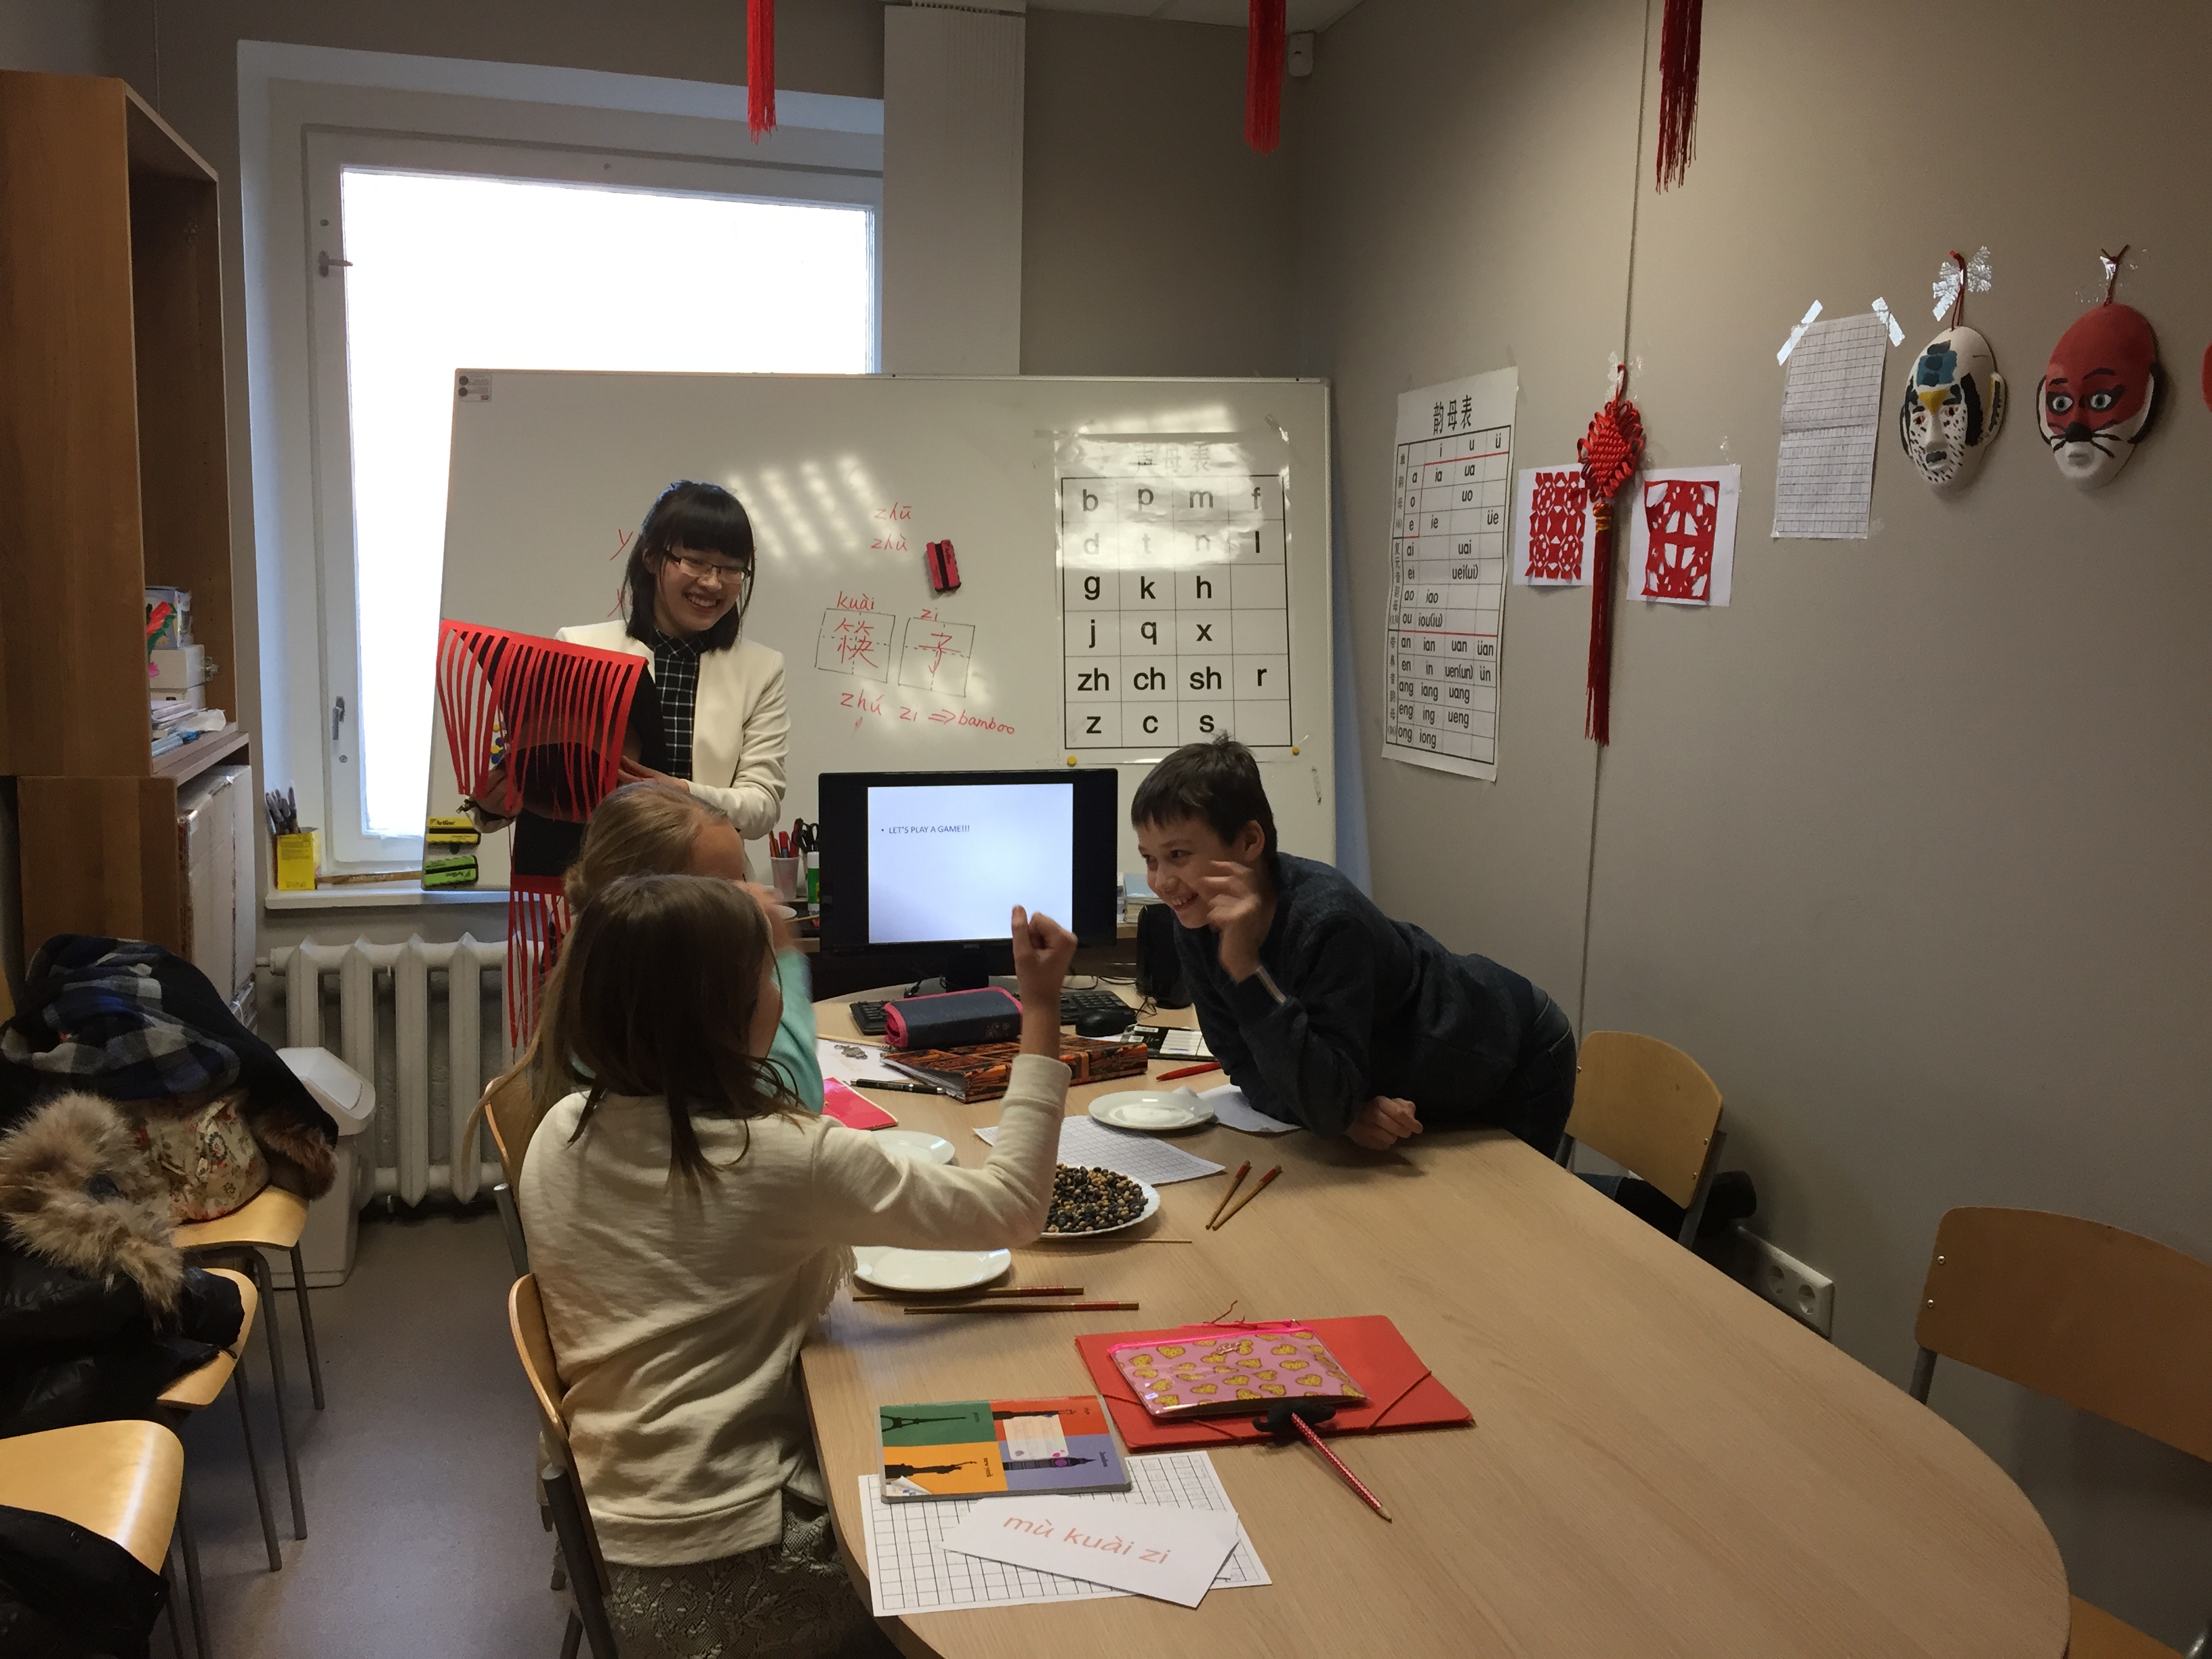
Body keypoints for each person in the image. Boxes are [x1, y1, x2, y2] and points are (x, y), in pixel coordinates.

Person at [518, 876, 1075, 1659]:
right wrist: (1041, 1008)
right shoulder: (781, 1157)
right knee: (1031, 1510)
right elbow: (1014, 1207)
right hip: (736, 1574)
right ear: (725, 1009)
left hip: (607, 1553)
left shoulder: (560, 1131)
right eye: (766, 973)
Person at [1131, 737, 1576, 1154]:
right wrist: (1338, 1115)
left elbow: (1326, 1103)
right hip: (1411, 1080)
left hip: (1511, 1054)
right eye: (1150, 859)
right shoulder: (1197, 918)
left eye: (1178, 855)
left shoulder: (1329, 922)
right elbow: (1244, 1065)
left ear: (1249, 842)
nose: (1161, 882)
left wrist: (1247, 972)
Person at [555, 781, 823, 1113]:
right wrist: (782, 956)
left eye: (742, 878)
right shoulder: (665, 1024)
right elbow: (798, 1098)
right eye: (725, 887)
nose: (753, 896)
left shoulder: (601, 989)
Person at [558, 480, 790, 855]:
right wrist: (491, 805)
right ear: (651, 557)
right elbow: (553, 778)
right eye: (695, 561)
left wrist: (680, 793)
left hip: (711, 880)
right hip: (603, 876)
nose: (712, 583)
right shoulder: (581, 648)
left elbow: (762, 806)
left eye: (731, 569)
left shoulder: (762, 669)